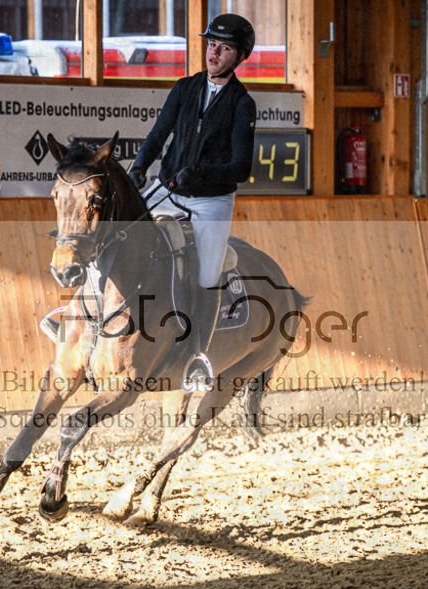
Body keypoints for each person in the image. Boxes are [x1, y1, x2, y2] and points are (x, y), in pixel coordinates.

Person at [128, 13, 257, 393]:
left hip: (211, 202)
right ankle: (80, 315)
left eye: (225, 48)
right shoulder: (183, 88)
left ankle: (198, 356)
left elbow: (242, 168)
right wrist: (139, 167)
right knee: (121, 233)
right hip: (168, 187)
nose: (214, 53)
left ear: (239, 56)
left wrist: (199, 173)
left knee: (206, 275)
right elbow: (157, 135)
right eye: (211, 45)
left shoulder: (242, 104)